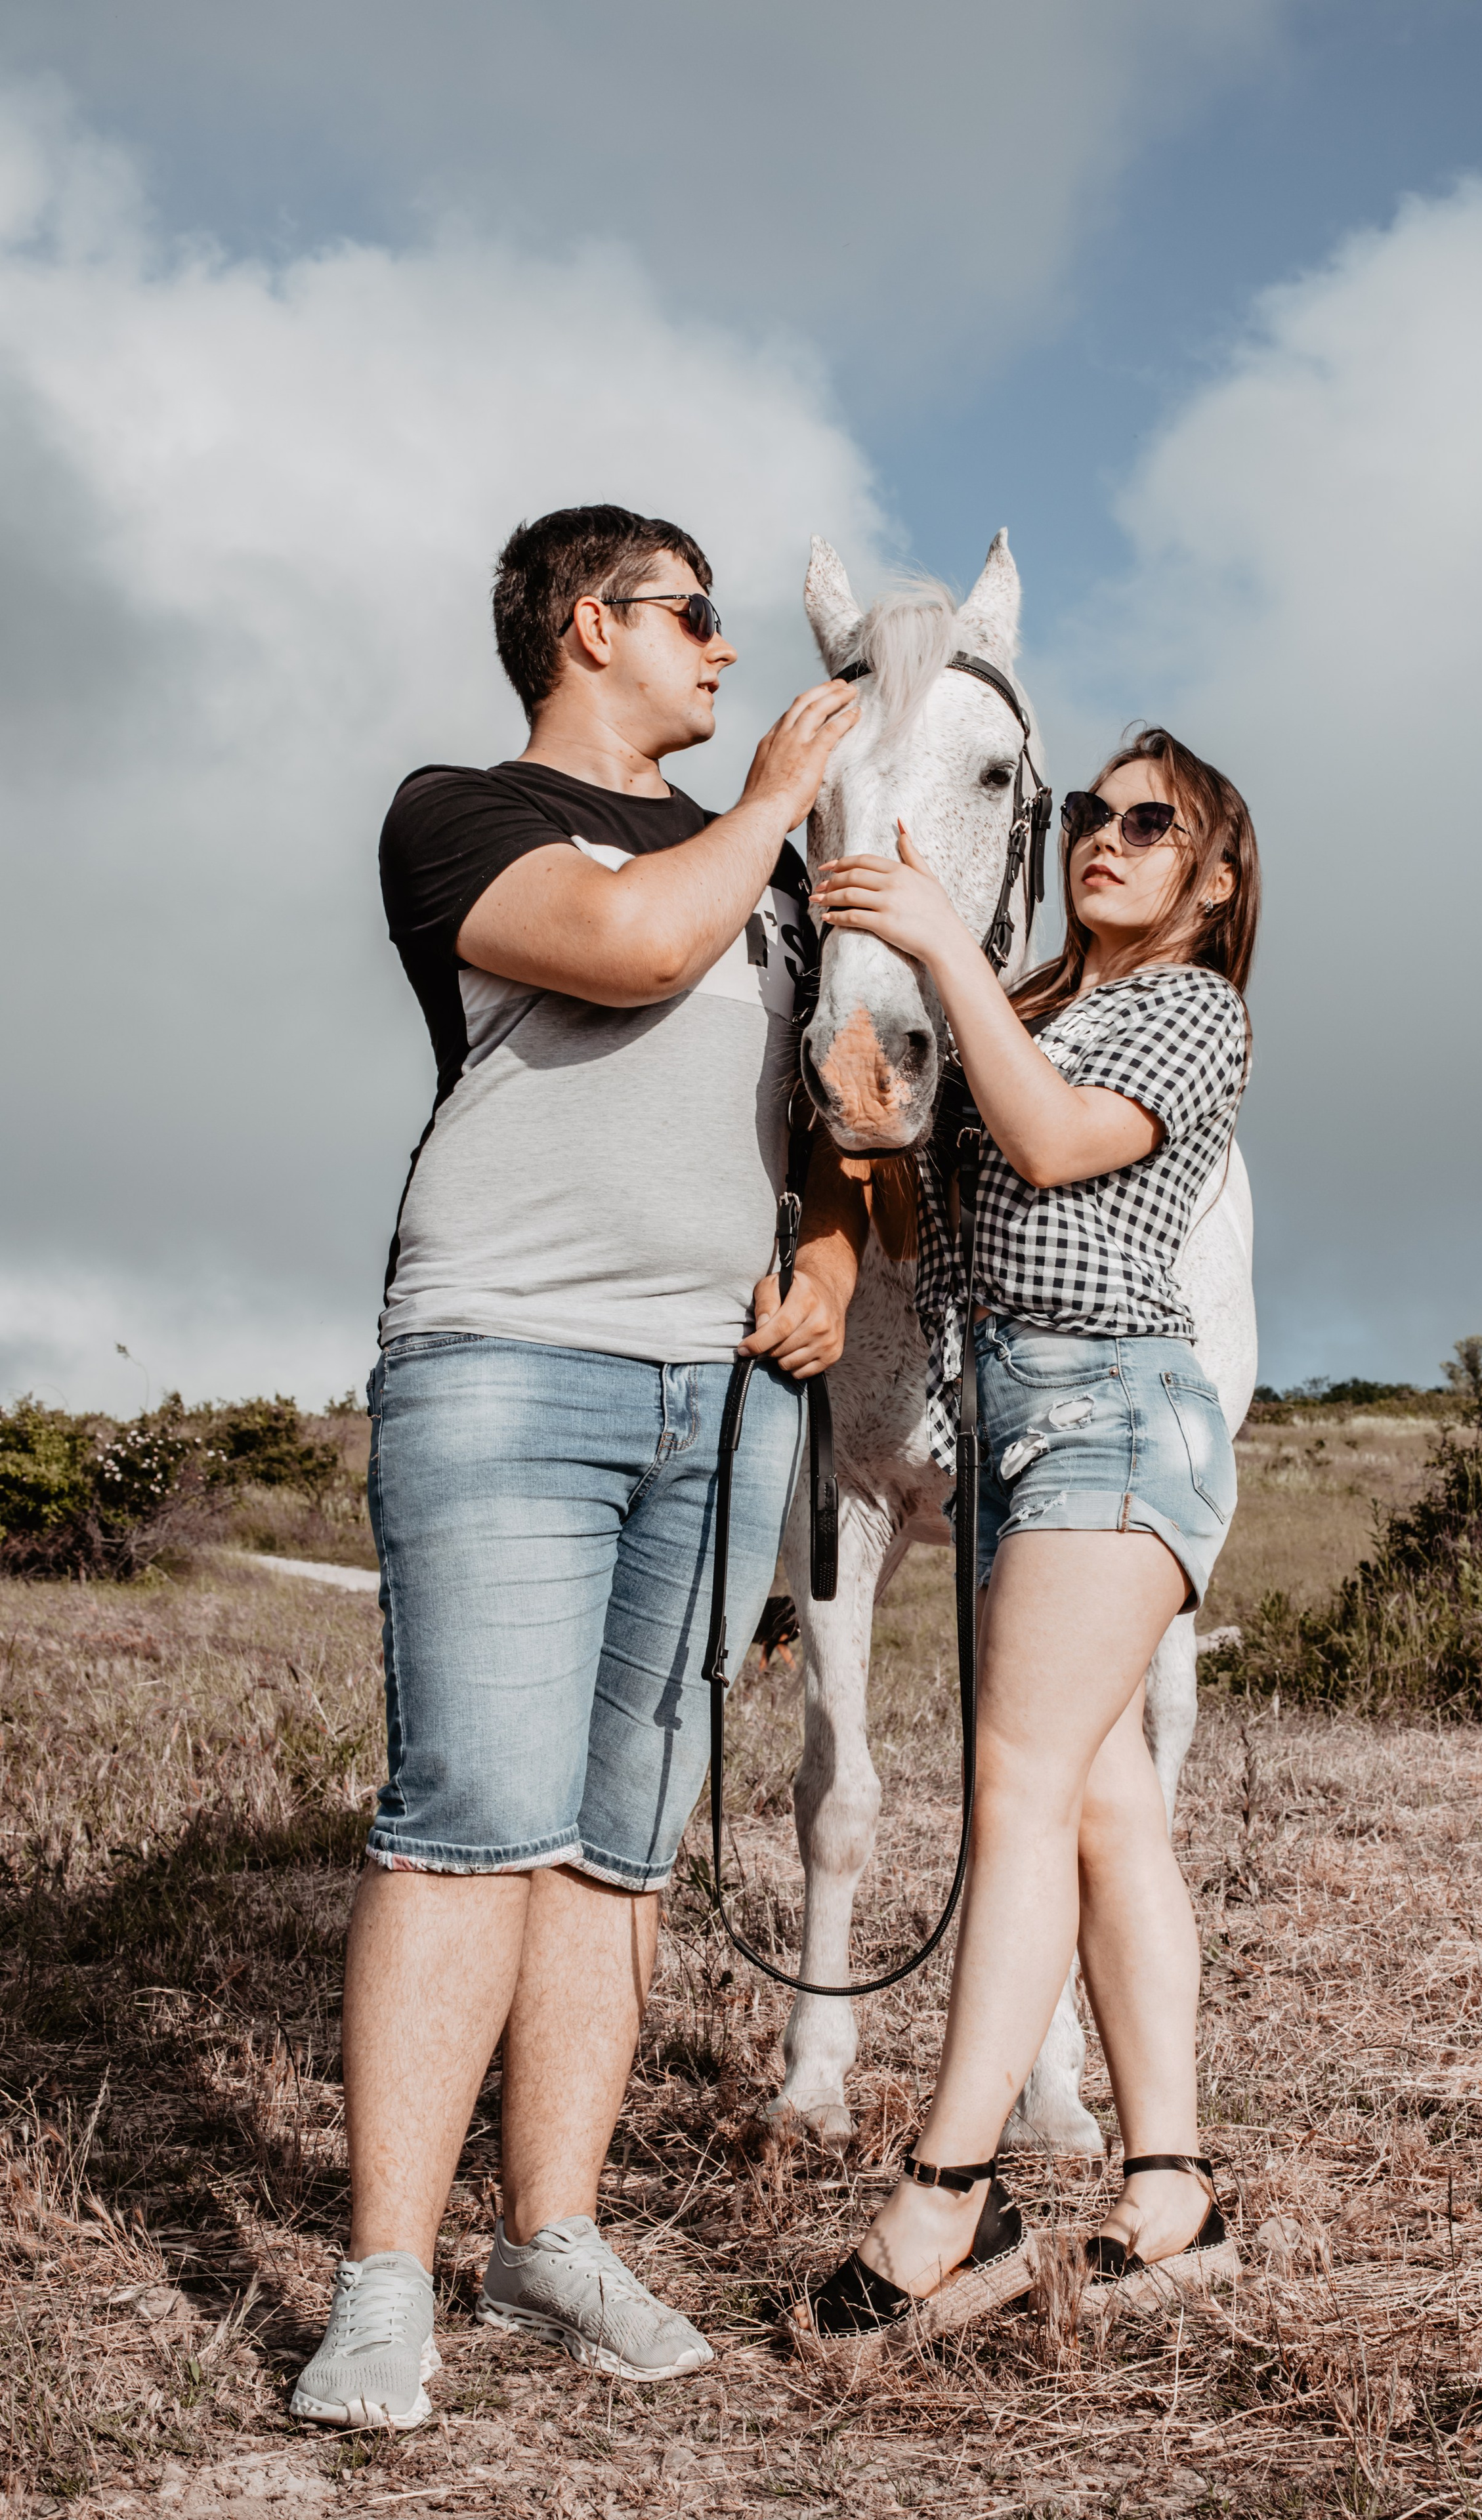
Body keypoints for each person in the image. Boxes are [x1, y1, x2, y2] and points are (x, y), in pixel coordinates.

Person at [292, 505, 865, 2427]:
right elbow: (623, 951)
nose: (728, 654)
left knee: (619, 1846)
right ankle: (384, 2290)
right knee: (473, 1819)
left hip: (719, 1401)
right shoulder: (465, 812)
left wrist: (840, 1248)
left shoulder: (762, 886)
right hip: (507, 1366)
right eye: (694, 618)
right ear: (589, 625)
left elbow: (818, 1134)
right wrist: (783, 793)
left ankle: (550, 2242)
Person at [795, 726, 1260, 2346]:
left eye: (1152, 824)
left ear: (1209, 881)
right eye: (1086, 811)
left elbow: (1058, 1144)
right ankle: (1174, 2181)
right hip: (1018, 1438)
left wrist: (934, 939)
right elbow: (925, 1168)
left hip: (1114, 1421)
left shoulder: (1191, 1013)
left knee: (1018, 1788)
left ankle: (947, 2184)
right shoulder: (1043, 1004)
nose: (1104, 838)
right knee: (1106, 1805)